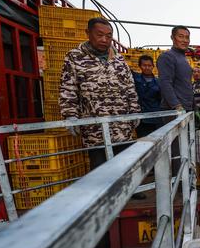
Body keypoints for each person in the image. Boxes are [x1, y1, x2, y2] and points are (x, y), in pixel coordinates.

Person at [59, 17, 141, 170]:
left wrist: (135, 111)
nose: (104, 39)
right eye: (99, 34)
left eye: (109, 36)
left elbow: (130, 87)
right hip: (94, 126)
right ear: (88, 33)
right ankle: (107, 194)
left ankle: (129, 192)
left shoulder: (119, 60)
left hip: (122, 123)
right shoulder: (75, 57)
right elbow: (68, 88)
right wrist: (70, 116)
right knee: (100, 167)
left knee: (125, 163)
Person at [157, 26, 194, 113]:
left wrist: (193, 106)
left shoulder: (183, 58)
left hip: (186, 107)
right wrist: (176, 106)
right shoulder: (167, 57)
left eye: (187, 37)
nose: (184, 40)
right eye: (180, 36)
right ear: (172, 38)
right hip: (174, 110)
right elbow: (165, 83)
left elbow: (186, 84)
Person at [133, 55, 163, 137]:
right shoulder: (135, 78)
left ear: (153, 66)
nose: (147, 67)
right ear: (140, 66)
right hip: (140, 119)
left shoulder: (158, 82)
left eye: (149, 65)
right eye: (144, 65)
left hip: (155, 118)